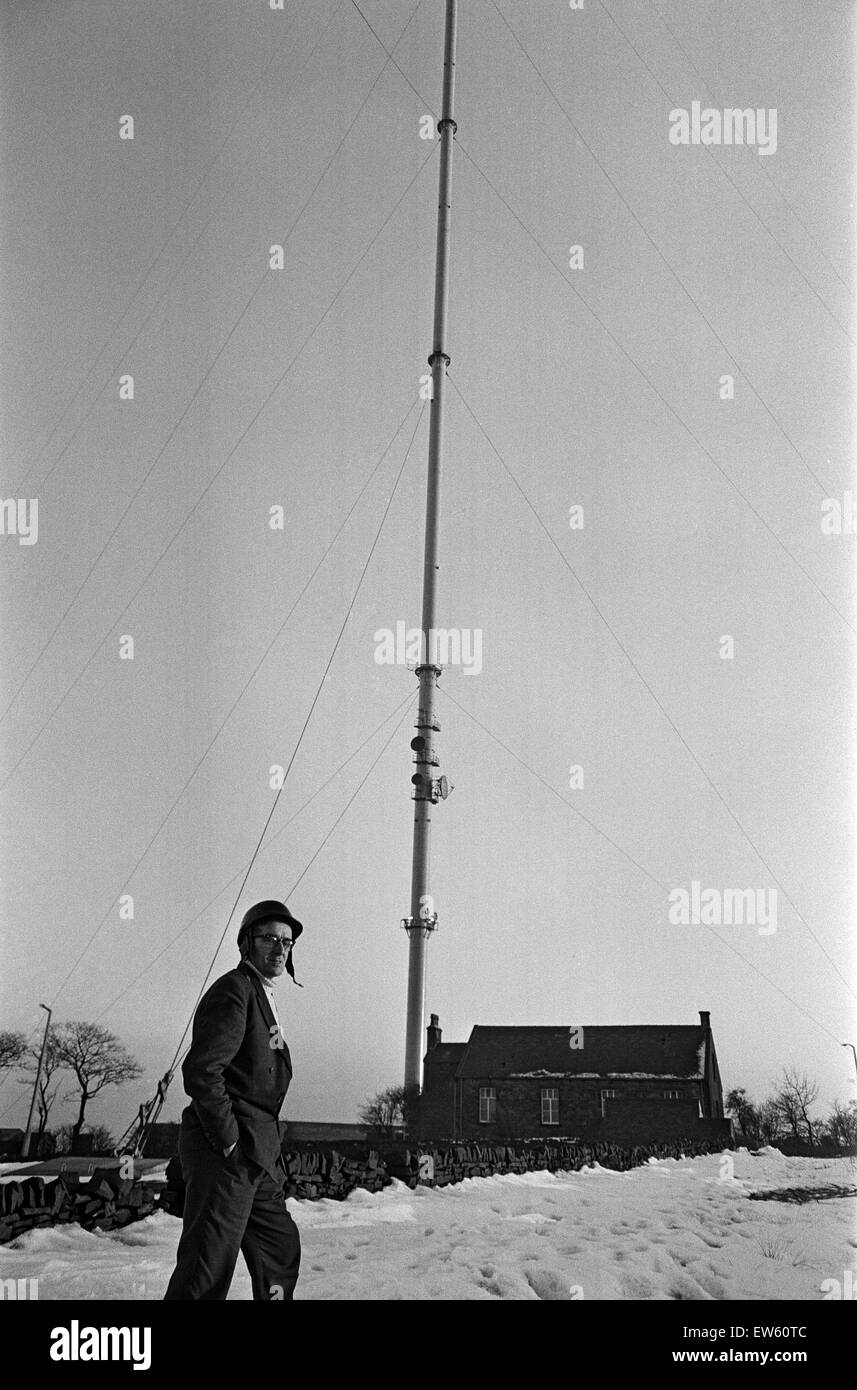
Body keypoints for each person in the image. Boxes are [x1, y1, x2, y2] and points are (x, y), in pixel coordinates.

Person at [163, 899, 303, 1300]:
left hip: (258, 1155)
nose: (279, 949)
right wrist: (229, 1141)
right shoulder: (234, 990)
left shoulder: (263, 993)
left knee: (279, 1247)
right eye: (269, 939)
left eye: (287, 942)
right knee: (206, 1269)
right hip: (226, 1153)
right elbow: (204, 1071)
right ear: (246, 943)